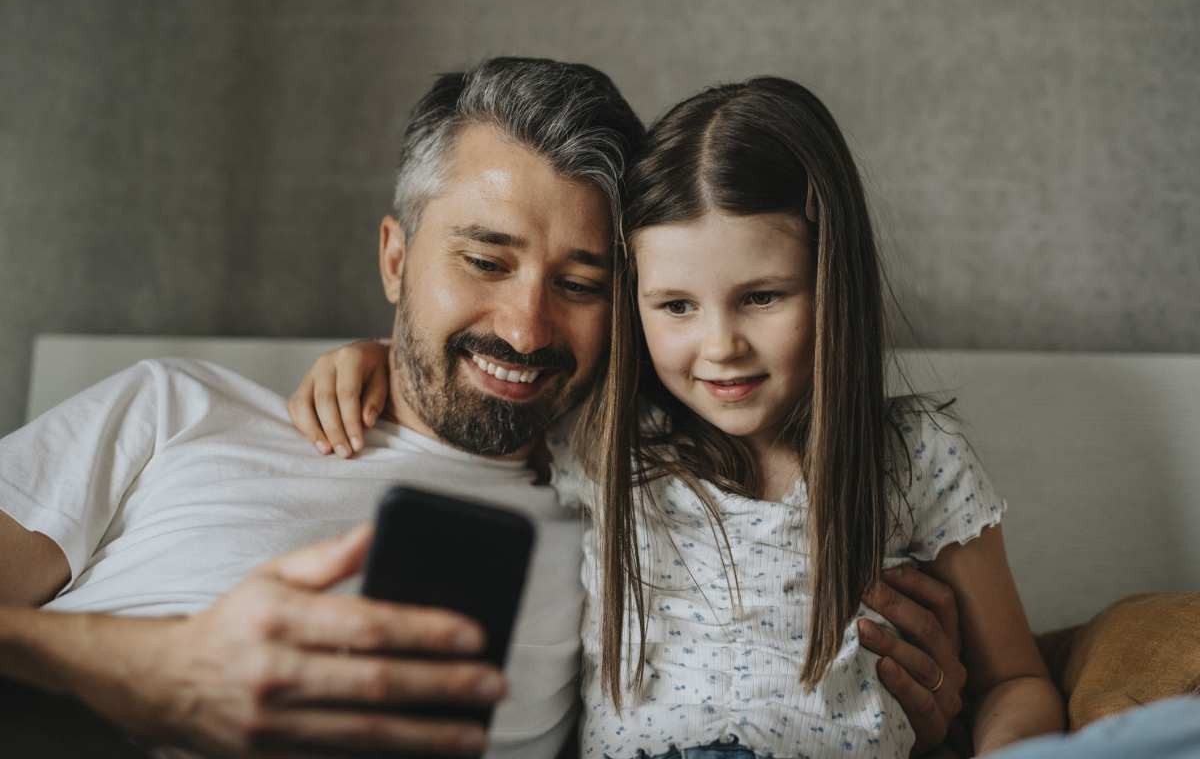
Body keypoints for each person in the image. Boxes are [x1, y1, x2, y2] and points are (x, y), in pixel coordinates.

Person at [1, 58, 964, 758]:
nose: (526, 325)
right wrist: (146, 670)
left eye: (582, 282)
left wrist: (933, 701)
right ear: (394, 257)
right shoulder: (174, 409)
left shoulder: (624, 507)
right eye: (485, 260)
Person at [288, 80, 1044, 757]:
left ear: (833, 283)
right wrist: (377, 356)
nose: (720, 346)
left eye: (763, 297)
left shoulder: (914, 457)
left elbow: (1016, 682)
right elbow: (486, 378)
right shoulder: (606, 438)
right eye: (676, 306)